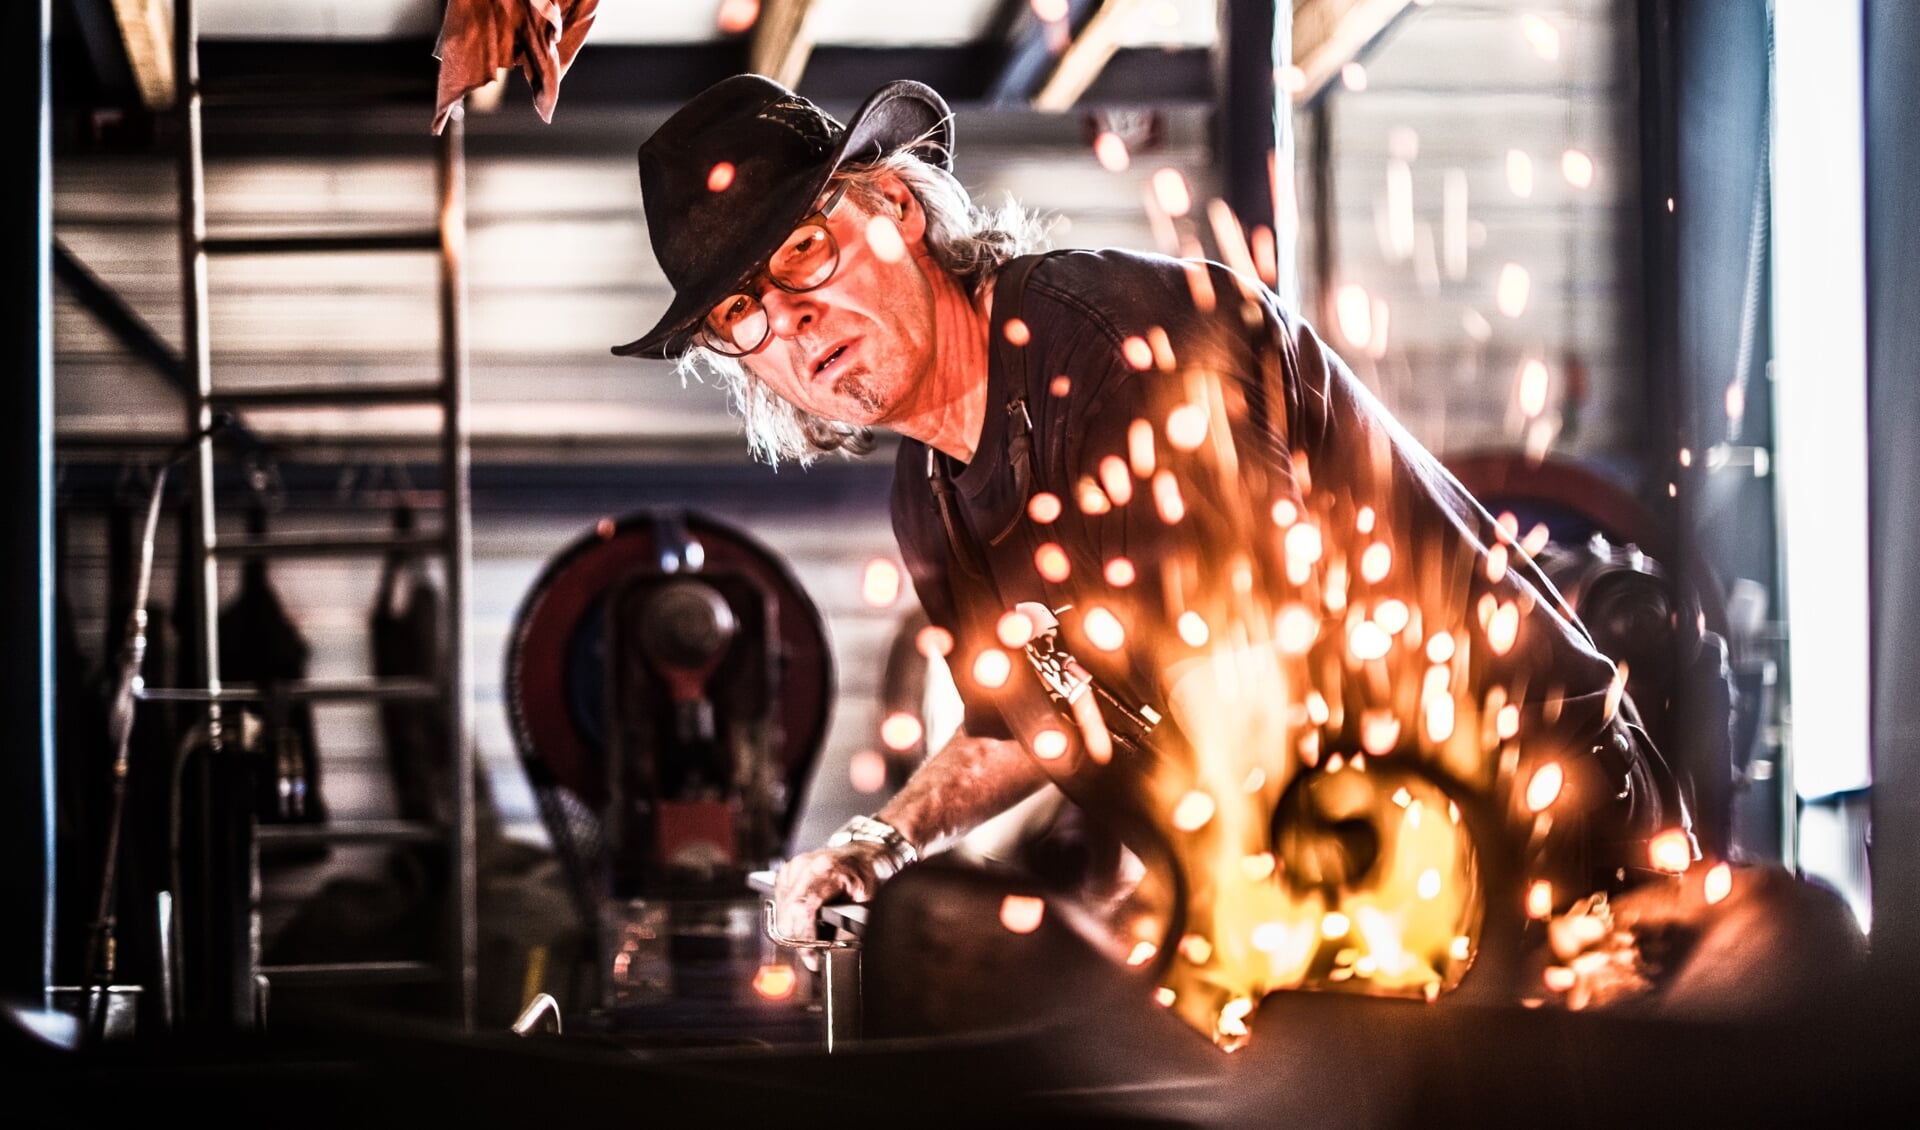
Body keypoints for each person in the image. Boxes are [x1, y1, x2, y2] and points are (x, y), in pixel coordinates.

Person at [611, 73, 1701, 1039]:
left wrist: (1163, 953)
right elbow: (1024, 723)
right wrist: (879, 843)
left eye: (805, 248)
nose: (794, 320)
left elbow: (1248, 696)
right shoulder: (931, 492)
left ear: (895, 204)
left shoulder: (1120, 348)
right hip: (1343, 903)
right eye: (743, 313)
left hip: (1536, 844)